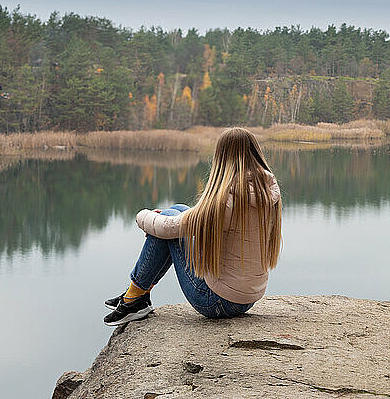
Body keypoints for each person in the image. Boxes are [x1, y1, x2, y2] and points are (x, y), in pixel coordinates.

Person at [104, 127, 282, 326]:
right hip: (248, 299)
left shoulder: (226, 198)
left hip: (217, 302)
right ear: (255, 153)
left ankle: (134, 298)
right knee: (179, 209)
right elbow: (194, 220)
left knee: (169, 221)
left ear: (222, 157)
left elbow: (167, 229)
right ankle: (137, 296)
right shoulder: (267, 190)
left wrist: (142, 216)